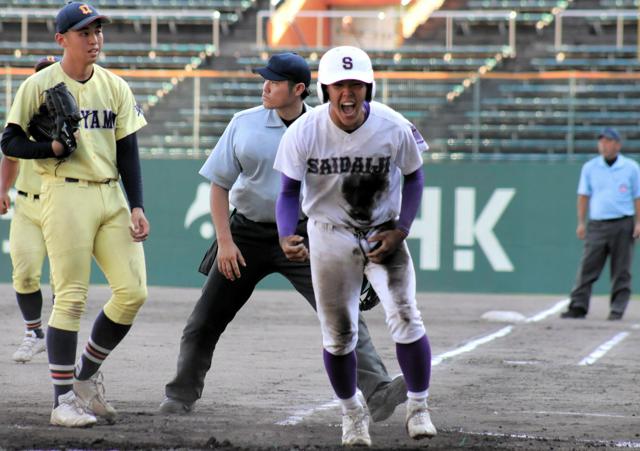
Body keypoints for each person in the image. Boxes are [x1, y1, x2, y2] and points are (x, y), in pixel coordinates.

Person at [159, 52, 408, 423]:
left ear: (299, 90)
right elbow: (219, 186)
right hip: (247, 233)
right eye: (265, 79)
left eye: (273, 81)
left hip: (306, 236)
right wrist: (225, 243)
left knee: (342, 314)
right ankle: (179, 395)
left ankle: (378, 391)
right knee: (205, 318)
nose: (265, 86)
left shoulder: (328, 128)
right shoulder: (244, 123)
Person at [274, 46, 436, 446]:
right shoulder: (304, 130)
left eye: (357, 85)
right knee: (338, 334)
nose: (348, 94)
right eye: (340, 85)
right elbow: (288, 191)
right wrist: (285, 233)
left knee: (406, 316)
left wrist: (402, 228)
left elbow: (414, 176)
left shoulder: (392, 125)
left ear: (369, 87)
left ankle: (418, 407)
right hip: (329, 232)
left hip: (383, 230)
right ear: (326, 88)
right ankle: (352, 414)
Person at [1, 2, 149, 427]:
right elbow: (9, 141)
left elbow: (129, 152)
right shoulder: (39, 85)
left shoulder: (115, 86)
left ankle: (83, 378)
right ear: (62, 40)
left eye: (98, 30)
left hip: (111, 196)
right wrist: (48, 149)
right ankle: (62, 401)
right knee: (70, 298)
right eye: (85, 32)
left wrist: (137, 204)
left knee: (133, 292)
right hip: (64, 193)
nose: (94, 39)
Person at [0, 56, 59, 364]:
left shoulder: (68, 116)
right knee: (23, 274)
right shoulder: (22, 115)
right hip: (26, 203)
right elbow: (10, 156)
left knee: (63, 278)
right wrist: (3, 190)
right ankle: (33, 333)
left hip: (62, 203)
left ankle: (60, 334)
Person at [561, 127, 640, 321]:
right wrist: (581, 222)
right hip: (597, 223)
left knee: (621, 269)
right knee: (587, 267)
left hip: (623, 223)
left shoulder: (631, 167)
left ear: (617, 144)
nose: (604, 145)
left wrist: (638, 222)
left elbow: (638, 196)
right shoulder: (590, 167)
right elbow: (583, 195)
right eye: (601, 141)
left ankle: (617, 309)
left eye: (608, 141)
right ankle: (578, 306)